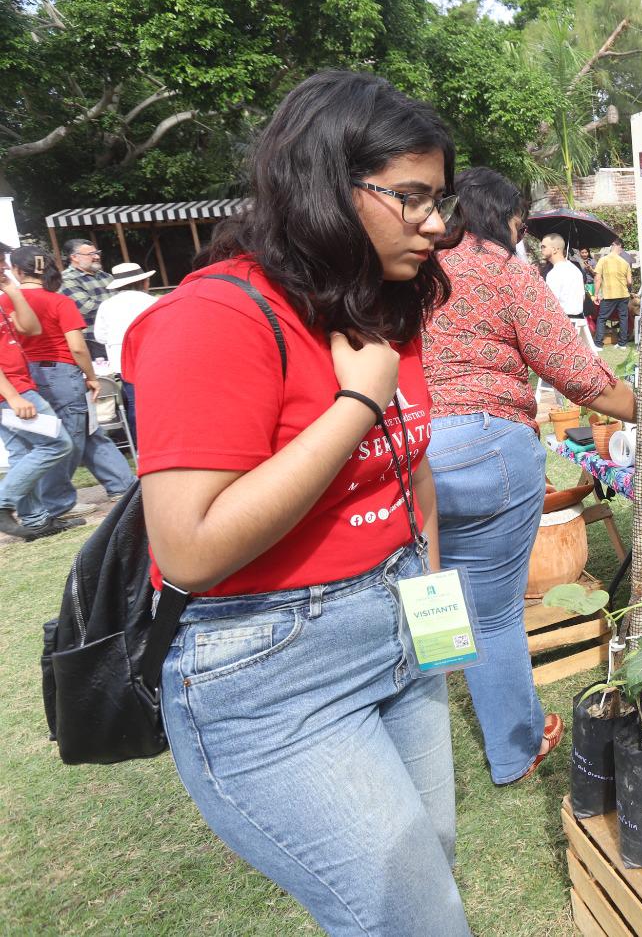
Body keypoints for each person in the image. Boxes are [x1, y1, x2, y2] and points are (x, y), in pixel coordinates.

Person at [123, 70, 472, 935]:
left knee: (432, 873)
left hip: (397, 629)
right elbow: (191, 549)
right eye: (412, 198)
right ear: (325, 185)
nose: (436, 224)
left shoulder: (384, 305)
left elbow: (411, 465)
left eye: (442, 199)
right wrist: (355, 405)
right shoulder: (217, 316)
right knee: (416, 921)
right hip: (273, 671)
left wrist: (423, 581)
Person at [424, 166, 636, 786]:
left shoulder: (421, 266)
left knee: (436, 599)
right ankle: (515, 749)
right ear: (509, 219)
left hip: (413, 455)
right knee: (492, 613)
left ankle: (425, 750)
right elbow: (579, 376)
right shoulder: (502, 269)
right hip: (488, 448)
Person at [1, 245, 134, 518]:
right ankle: (57, 501)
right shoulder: (59, 301)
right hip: (59, 372)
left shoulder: (7, 301)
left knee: (85, 431)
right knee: (68, 436)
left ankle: (122, 484)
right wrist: (92, 376)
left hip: (27, 372)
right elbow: (77, 347)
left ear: (16, 270)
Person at [0, 267, 75, 540]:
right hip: (12, 390)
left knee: (20, 452)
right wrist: (13, 396)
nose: (4, 269)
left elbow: (32, 328)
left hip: (15, 387)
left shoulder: (3, 299)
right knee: (57, 443)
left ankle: (34, 520)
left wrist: (12, 291)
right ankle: (3, 502)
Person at [94, 261, 160, 443]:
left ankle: (140, 445)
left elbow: (100, 336)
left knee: (134, 403)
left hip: (122, 362)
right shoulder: (152, 302)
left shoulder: (106, 305)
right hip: (153, 358)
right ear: (143, 282)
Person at [539, 232, 597, 352]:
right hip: (579, 320)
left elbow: (550, 305)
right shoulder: (575, 269)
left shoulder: (554, 273)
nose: (541, 249)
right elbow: (582, 297)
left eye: (544, 246)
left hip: (562, 325)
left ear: (555, 249)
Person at [59, 238, 115, 356]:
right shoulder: (67, 279)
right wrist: (119, 303)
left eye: (97, 253)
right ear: (74, 257)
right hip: (91, 340)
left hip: (114, 335)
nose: (97, 257)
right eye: (91, 254)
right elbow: (85, 308)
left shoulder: (106, 276)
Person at [594, 239, 633, 343]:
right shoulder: (625, 262)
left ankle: (598, 343)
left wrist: (596, 294)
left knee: (602, 318)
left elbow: (598, 279)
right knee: (623, 318)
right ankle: (622, 343)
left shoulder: (603, 260)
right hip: (623, 294)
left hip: (609, 294)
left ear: (614, 245)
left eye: (611, 244)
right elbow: (629, 282)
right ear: (619, 247)